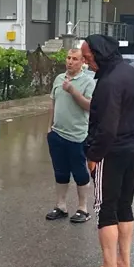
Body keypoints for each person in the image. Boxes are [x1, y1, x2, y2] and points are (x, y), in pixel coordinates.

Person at [76, 34, 134, 267]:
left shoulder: (109, 83)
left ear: (100, 52)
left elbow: (106, 127)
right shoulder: (131, 74)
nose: (86, 62)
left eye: (87, 57)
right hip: (132, 148)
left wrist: (93, 156)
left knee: (106, 209)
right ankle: (123, 265)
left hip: (110, 152)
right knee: (124, 206)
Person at [46, 48, 96, 223]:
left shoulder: (88, 82)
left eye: (75, 59)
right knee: (60, 172)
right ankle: (61, 205)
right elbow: (53, 102)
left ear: (82, 62)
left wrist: (73, 91)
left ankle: (83, 208)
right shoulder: (59, 79)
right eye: (68, 58)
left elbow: (90, 106)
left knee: (80, 173)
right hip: (57, 133)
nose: (70, 61)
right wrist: (49, 127)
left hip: (77, 136)